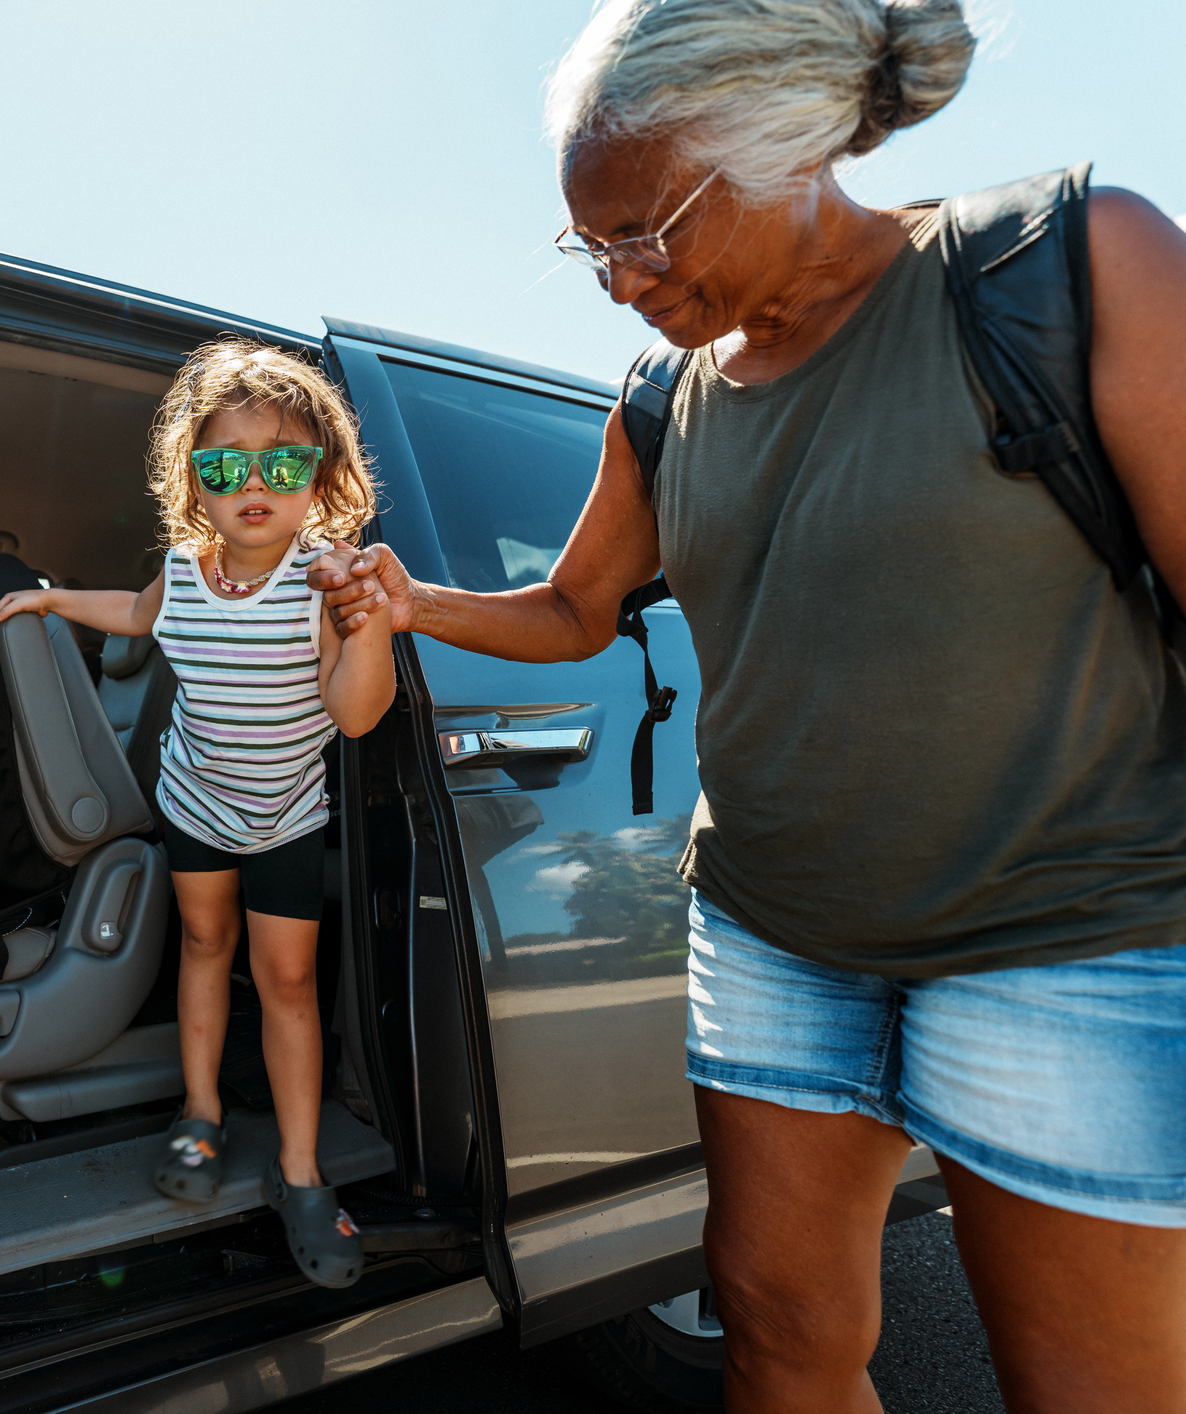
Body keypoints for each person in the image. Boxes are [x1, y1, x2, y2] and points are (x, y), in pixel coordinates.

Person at [313, 0, 1186, 1406]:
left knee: (1084, 1383)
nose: (617, 282)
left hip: (1059, 938)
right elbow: (574, 609)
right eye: (588, 246)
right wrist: (417, 603)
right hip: (772, 939)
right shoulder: (660, 399)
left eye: (642, 232)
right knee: (776, 1338)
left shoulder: (1062, 266)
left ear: (782, 148)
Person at [0, 339, 394, 1288]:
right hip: (195, 803)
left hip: (287, 813)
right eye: (224, 465)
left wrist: (368, 619)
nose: (254, 482)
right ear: (194, 482)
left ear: (320, 477)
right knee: (204, 951)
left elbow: (356, 712)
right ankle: (201, 1114)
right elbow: (135, 615)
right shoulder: (181, 569)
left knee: (286, 984)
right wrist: (47, 599)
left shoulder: (323, 583)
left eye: (284, 461)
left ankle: (300, 1169)